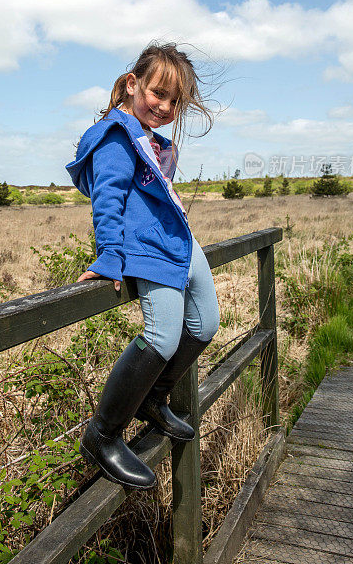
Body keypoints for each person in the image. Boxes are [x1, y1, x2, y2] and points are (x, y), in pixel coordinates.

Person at [65, 42, 220, 489]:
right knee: (162, 337)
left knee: (205, 325)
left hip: (183, 245)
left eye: (176, 102)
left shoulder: (148, 140)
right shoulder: (117, 136)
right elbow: (108, 200)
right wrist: (111, 256)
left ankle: (154, 398)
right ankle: (103, 434)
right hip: (149, 252)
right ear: (133, 84)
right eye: (158, 93)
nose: (165, 106)